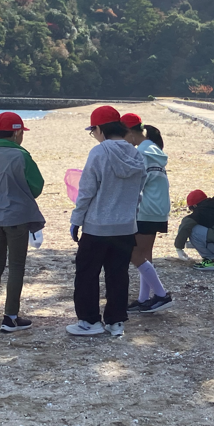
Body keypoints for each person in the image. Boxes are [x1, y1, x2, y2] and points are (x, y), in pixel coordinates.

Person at [68, 106, 146, 337]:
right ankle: (115, 321)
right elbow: (139, 192)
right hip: (125, 227)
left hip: (97, 226)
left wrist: (76, 220)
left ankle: (89, 321)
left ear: (100, 129)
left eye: (93, 131)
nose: (94, 135)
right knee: (118, 274)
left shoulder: (99, 152)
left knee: (87, 274)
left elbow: (86, 191)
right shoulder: (137, 154)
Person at [0, 112, 45, 332]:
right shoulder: (22, 156)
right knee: (16, 266)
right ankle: (11, 316)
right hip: (17, 218)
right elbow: (37, 186)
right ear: (16, 133)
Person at [121, 112, 173, 313]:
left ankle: (161, 294)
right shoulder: (153, 149)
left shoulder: (140, 153)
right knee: (145, 254)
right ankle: (144, 298)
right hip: (158, 208)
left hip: (145, 209)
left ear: (131, 134)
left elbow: (136, 184)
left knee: (133, 252)